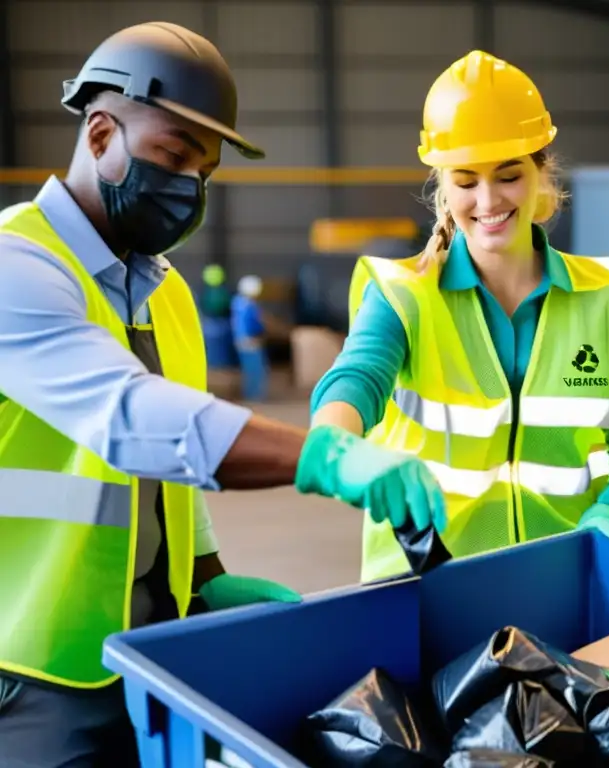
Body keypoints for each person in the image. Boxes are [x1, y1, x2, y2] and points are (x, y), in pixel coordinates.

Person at [0, 22, 440, 766]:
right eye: (173, 157)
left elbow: (169, 478)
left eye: (204, 172)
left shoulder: (165, 293)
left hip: (150, 649)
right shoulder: (19, 265)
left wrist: (207, 583)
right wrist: (326, 457)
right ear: (101, 133)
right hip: (32, 667)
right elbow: (131, 418)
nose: (189, 190)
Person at [311, 50, 609, 583]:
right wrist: (337, 443)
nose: (487, 200)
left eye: (508, 176)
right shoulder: (403, 297)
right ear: (442, 184)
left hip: (560, 583)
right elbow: (353, 382)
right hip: (423, 591)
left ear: (541, 172)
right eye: (465, 180)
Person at [231, 274, 270, 401]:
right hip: (251, 340)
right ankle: (255, 396)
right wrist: (261, 333)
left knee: (247, 369)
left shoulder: (236, 302)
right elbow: (254, 324)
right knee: (256, 370)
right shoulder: (249, 305)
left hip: (239, 340)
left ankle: (250, 394)